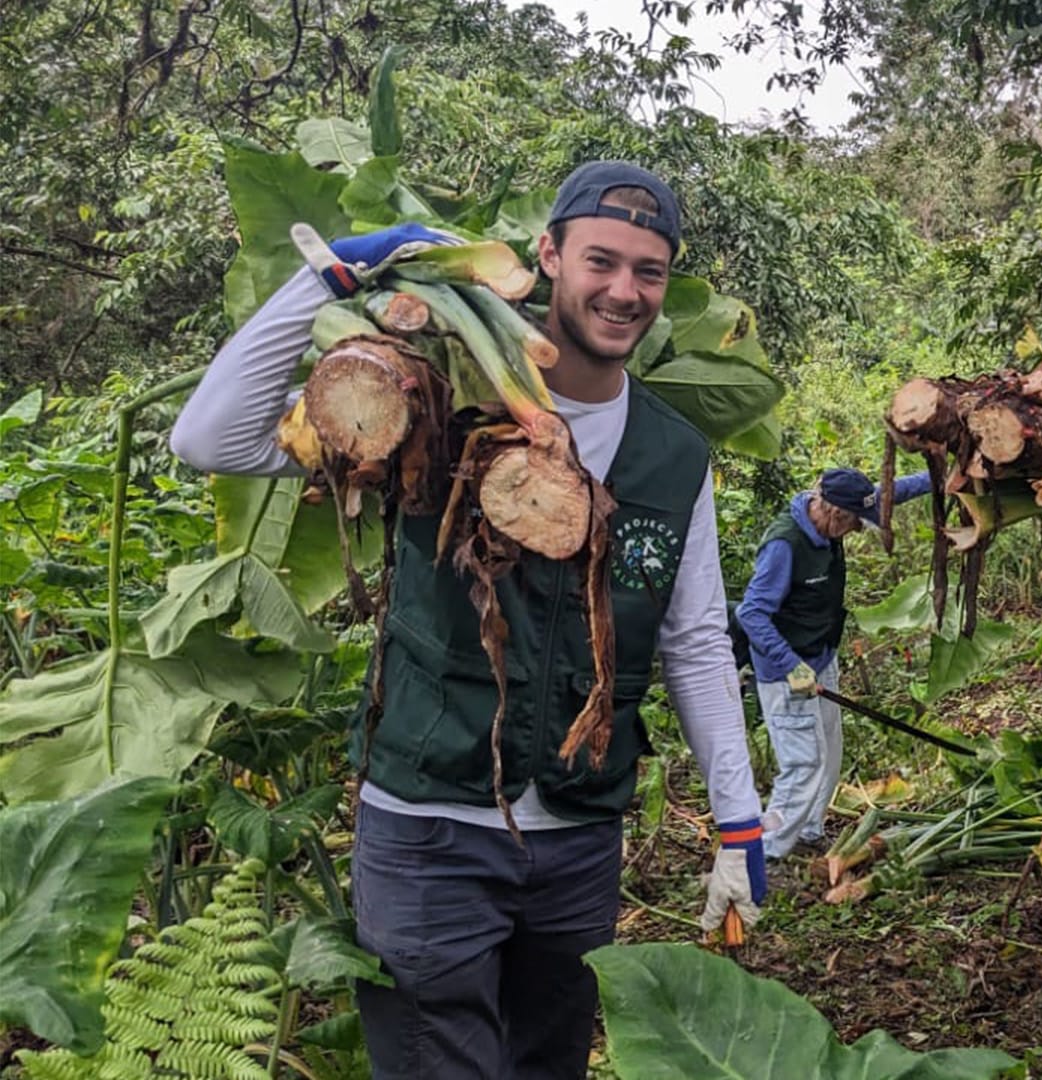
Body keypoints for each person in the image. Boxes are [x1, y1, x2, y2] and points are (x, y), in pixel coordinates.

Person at [170, 162, 766, 1079]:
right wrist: (330, 275)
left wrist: (738, 820)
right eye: (601, 261)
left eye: (649, 270)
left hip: (577, 838)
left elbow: (690, 642)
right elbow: (211, 441)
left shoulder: (675, 456)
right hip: (427, 830)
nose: (624, 290)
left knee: (549, 1062)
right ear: (548, 257)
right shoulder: (432, 407)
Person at [734, 466, 930, 859]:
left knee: (829, 755)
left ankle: (808, 831)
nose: (857, 530)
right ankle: (764, 854)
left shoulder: (840, 505)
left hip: (820, 657)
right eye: (856, 524)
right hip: (787, 672)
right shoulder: (784, 546)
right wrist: (792, 666)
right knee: (803, 763)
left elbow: (895, 491)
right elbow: (751, 614)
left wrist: (941, 475)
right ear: (835, 514)